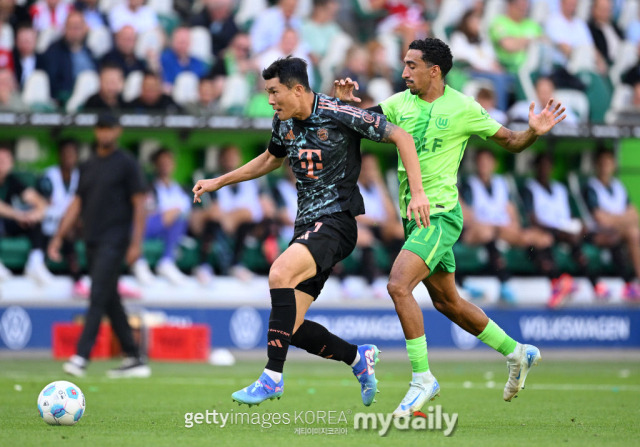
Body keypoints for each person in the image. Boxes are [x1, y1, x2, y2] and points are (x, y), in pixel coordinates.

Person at [334, 37, 566, 417]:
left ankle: (422, 378)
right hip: (414, 219)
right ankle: (517, 352)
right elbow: (356, 124)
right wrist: (343, 104)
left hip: (440, 216)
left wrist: (533, 133)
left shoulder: (463, 107)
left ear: (434, 71)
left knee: (397, 285)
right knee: (447, 302)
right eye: (404, 65)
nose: (404, 72)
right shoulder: (397, 103)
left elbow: (511, 141)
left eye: (412, 65)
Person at [192, 56, 429, 407]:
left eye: (275, 92)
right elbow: (271, 159)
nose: (270, 100)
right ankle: (356, 358)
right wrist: (219, 182)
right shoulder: (283, 122)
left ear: (298, 89)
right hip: (307, 226)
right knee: (291, 325)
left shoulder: (339, 113)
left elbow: (402, 137)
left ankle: (272, 378)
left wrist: (418, 192)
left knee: (279, 273)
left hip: (337, 221)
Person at [49, 113, 150, 379]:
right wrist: (59, 236)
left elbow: (140, 204)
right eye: (100, 128)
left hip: (115, 240)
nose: (104, 133)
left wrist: (136, 243)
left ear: (117, 131)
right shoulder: (87, 165)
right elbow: (77, 203)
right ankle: (134, 357)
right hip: (91, 240)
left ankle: (81, 356)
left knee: (97, 295)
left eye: (109, 128)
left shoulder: (127, 164)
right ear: (96, 132)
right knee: (109, 300)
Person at [459, 149, 553, 303]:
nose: (484, 165)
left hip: (503, 230)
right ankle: (504, 282)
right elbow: (467, 217)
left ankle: (555, 279)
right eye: (481, 162)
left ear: (494, 164)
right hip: (480, 231)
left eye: (487, 162)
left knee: (541, 237)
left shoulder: (502, 183)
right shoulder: (469, 185)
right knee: (488, 233)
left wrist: (512, 228)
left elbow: (512, 212)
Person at [585, 148, 640, 300]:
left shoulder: (618, 186)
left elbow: (635, 215)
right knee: (633, 233)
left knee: (633, 231)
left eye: (608, 163)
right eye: (602, 163)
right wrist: (623, 218)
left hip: (618, 231)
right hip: (597, 233)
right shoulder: (591, 187)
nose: (605, 166)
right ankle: (635, 281)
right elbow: (601, 219)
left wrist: (613, 218)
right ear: (596, 165)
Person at [132, 148, 190, 286]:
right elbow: (145, 211)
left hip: (170, 230)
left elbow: (186, 212)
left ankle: (167, 262)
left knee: (179, 219)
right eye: (161, 163)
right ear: (155, 165)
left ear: (174, 164)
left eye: (168, 162)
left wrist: (171, 213)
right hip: (148, 227)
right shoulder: (149, 187)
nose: (165, 166)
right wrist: (166, 214)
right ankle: (138, 262)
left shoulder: (181, 189)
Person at [0, 141, 54, 285]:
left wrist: (36, 213)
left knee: (35, 221)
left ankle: (35, 263)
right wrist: (18, 215)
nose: (2, 164)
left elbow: (37, 200)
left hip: (7, 224)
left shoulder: (12, 180)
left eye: (5, 160)